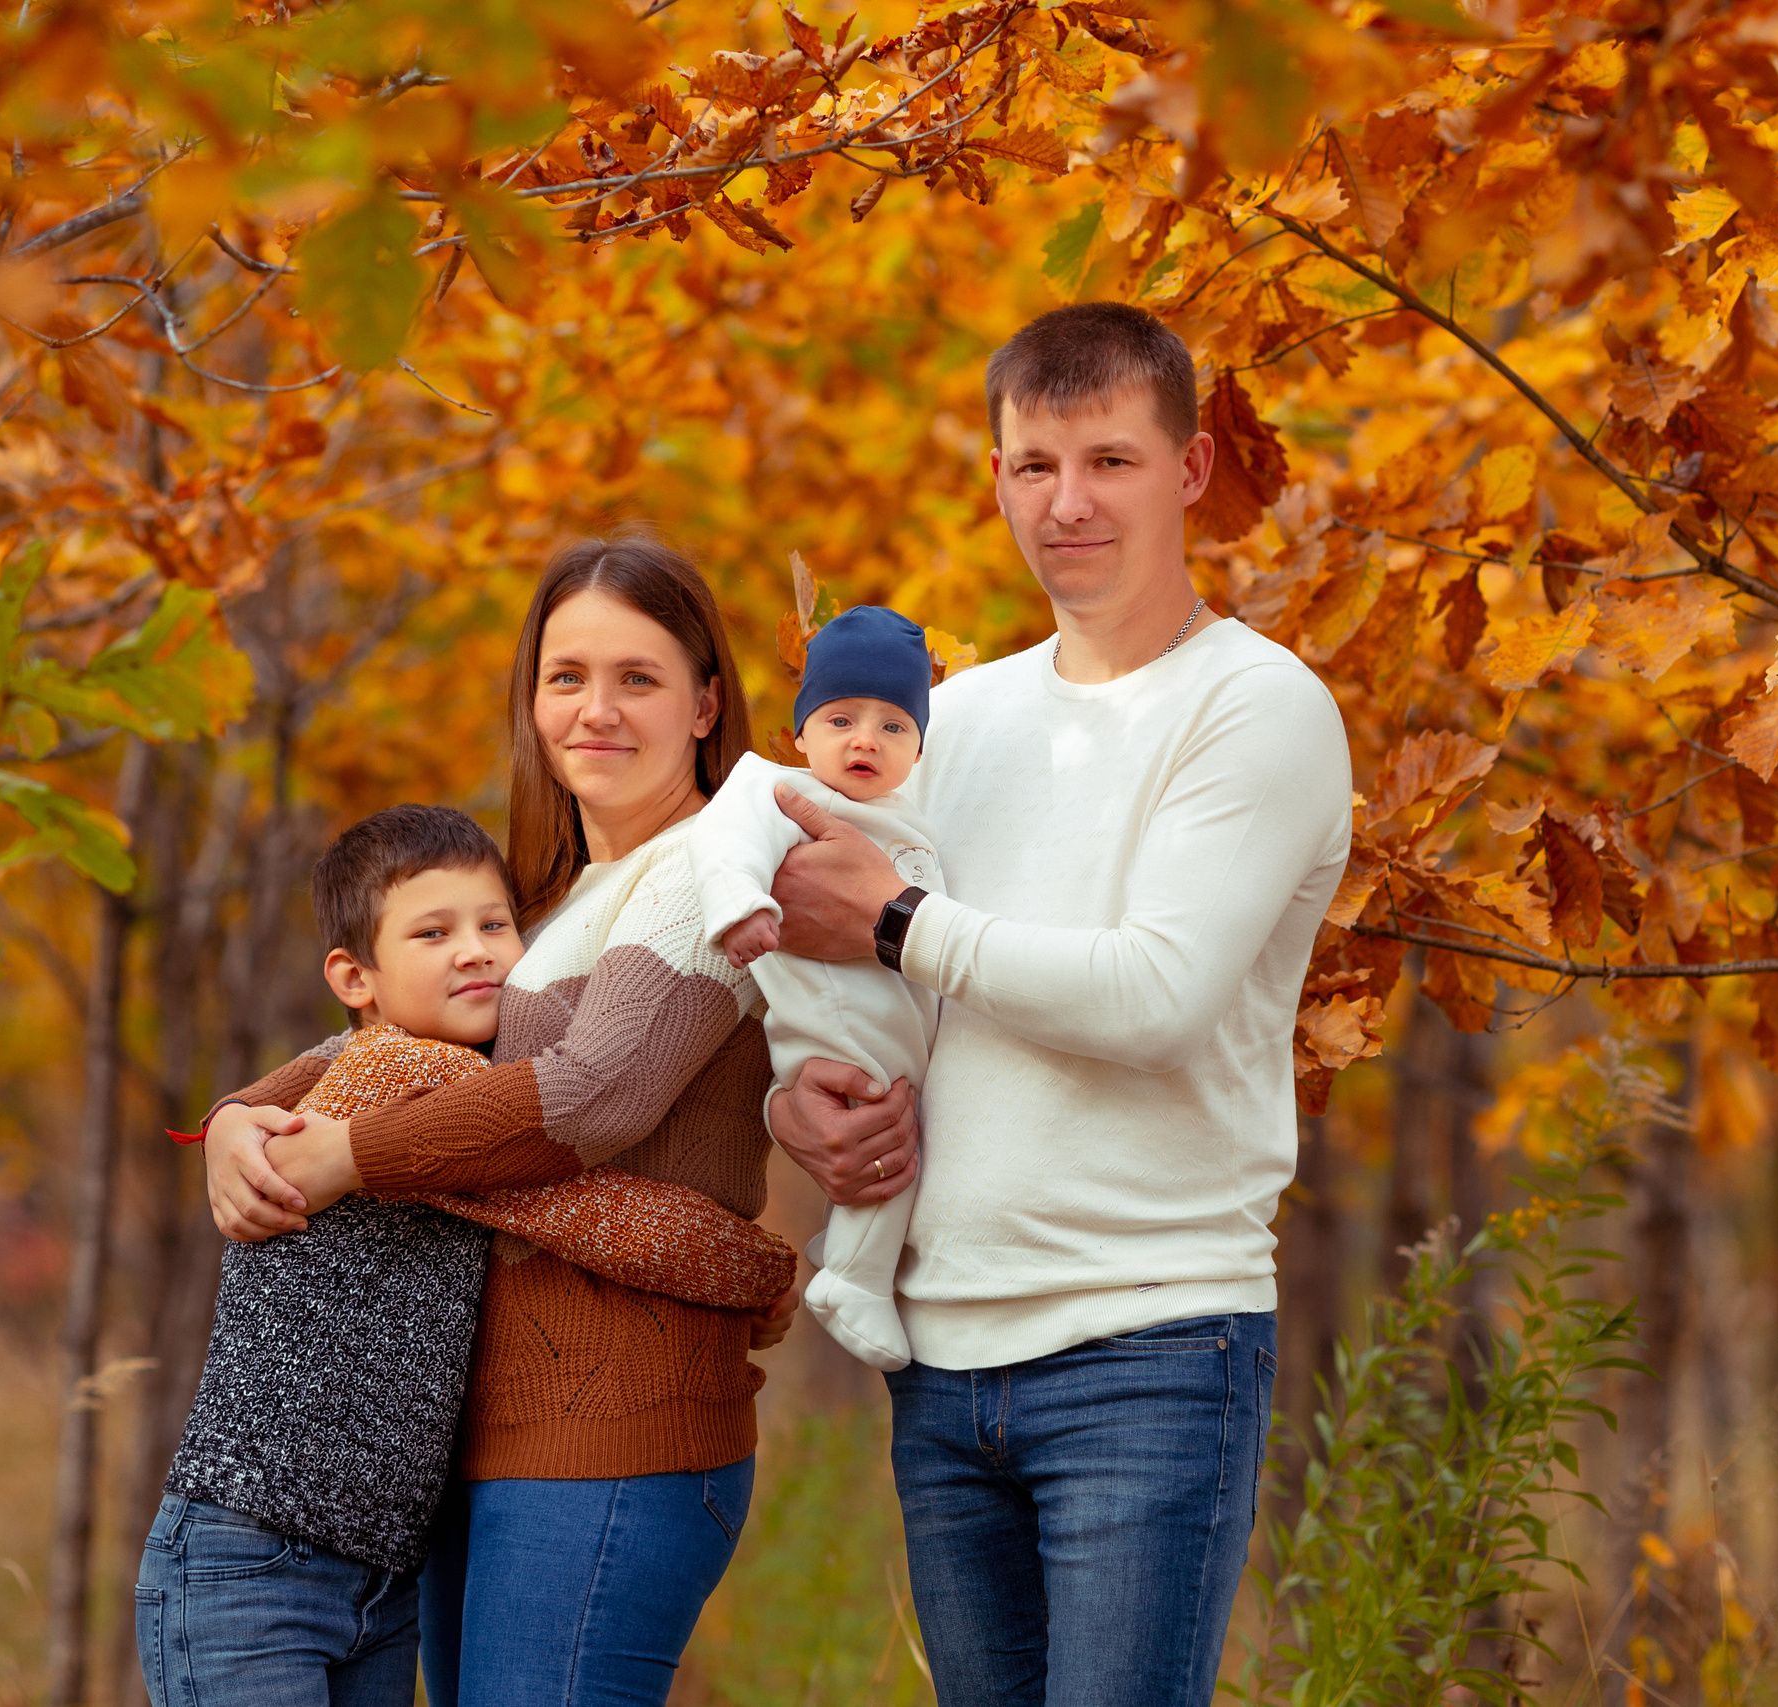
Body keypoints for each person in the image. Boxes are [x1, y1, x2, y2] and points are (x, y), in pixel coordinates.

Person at [765, 301, 1355, 1706]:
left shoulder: (1256, 707)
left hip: (1147, 1347)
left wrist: (898, 920)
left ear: (1193, 467)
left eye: (1111, 461)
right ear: (997, 478)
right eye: (1035, 465)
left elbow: (1153, 993)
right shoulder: (953, 721)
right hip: (942, 1357)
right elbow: (877, 982)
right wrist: (808, 1102)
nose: (1068, 503)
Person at [200, 532, 795, 1707]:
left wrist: (353, 1159)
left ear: (706, 702)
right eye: (566, 677)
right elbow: (392, 1055)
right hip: (480, 1447)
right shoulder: (543, 901)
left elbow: (591, 1095)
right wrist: (237, 1118)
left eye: (639, 678)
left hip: (619, 1441)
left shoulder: (702, 873)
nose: (596, 710)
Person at [687, 603, 944, 1370]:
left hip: (890, 1016)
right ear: (801, 732)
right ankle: (853, 1284)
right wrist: (743, 909)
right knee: (885, 1131)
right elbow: (725, 844)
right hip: (833, 1020)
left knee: (902, 1131)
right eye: (840, 718)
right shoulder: (775, 789)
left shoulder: (908, 814)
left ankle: (849, 1245)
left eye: (894, 726)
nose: (866, 738)